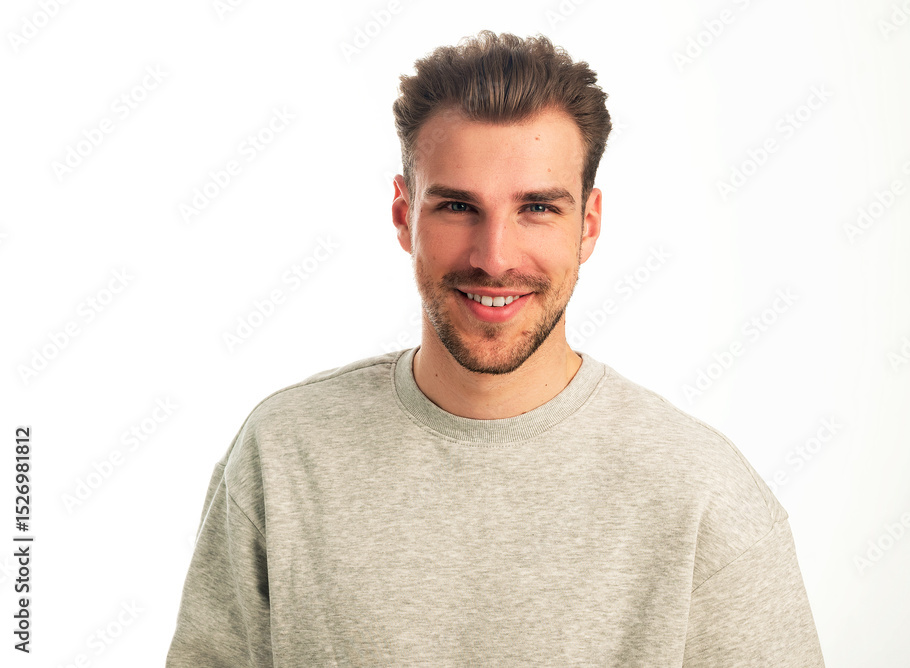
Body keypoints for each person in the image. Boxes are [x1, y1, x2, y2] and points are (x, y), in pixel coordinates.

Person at [166, 30, 826, 666]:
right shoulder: (283, 454)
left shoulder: (702, 496)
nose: (495, 258)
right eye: (457, 207)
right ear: (404, 215)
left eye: (537, 207)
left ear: (588, 225)